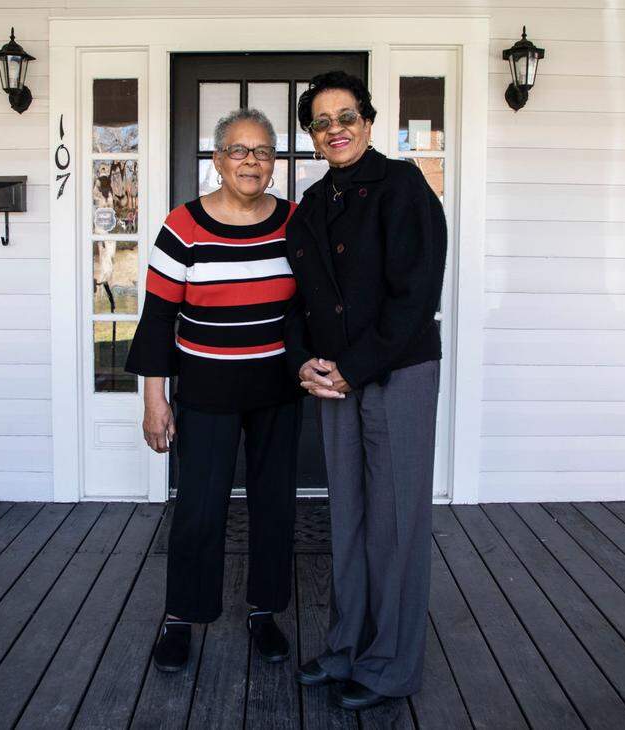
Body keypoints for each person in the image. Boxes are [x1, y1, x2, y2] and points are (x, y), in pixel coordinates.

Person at [284, 70, 447, 710]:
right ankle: (347, 644)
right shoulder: (313, 204)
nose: (335, 129)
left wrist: (353, 366)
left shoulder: (404, 187)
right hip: (332, 381)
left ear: (369, 122)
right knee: (346, 516)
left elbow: (416, 296)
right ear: (313, 135)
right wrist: (303, 363)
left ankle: (390, 665)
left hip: (397, 373)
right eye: (322, 122)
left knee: (396, 523)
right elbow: (297, 301)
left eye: (346, 116)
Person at [124, 108, 302, 672]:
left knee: (274, 506)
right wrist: (155, 400)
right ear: (218, 161)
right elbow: (156, 320)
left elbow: (316, 305)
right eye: (239, 151)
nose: (251, 161)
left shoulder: (297, 223)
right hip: (205, 388)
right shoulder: (183, 225)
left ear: (274, 164)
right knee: (199, 510)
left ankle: (263, 611)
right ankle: (182, 616)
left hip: (279, 388)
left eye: (263, 152)